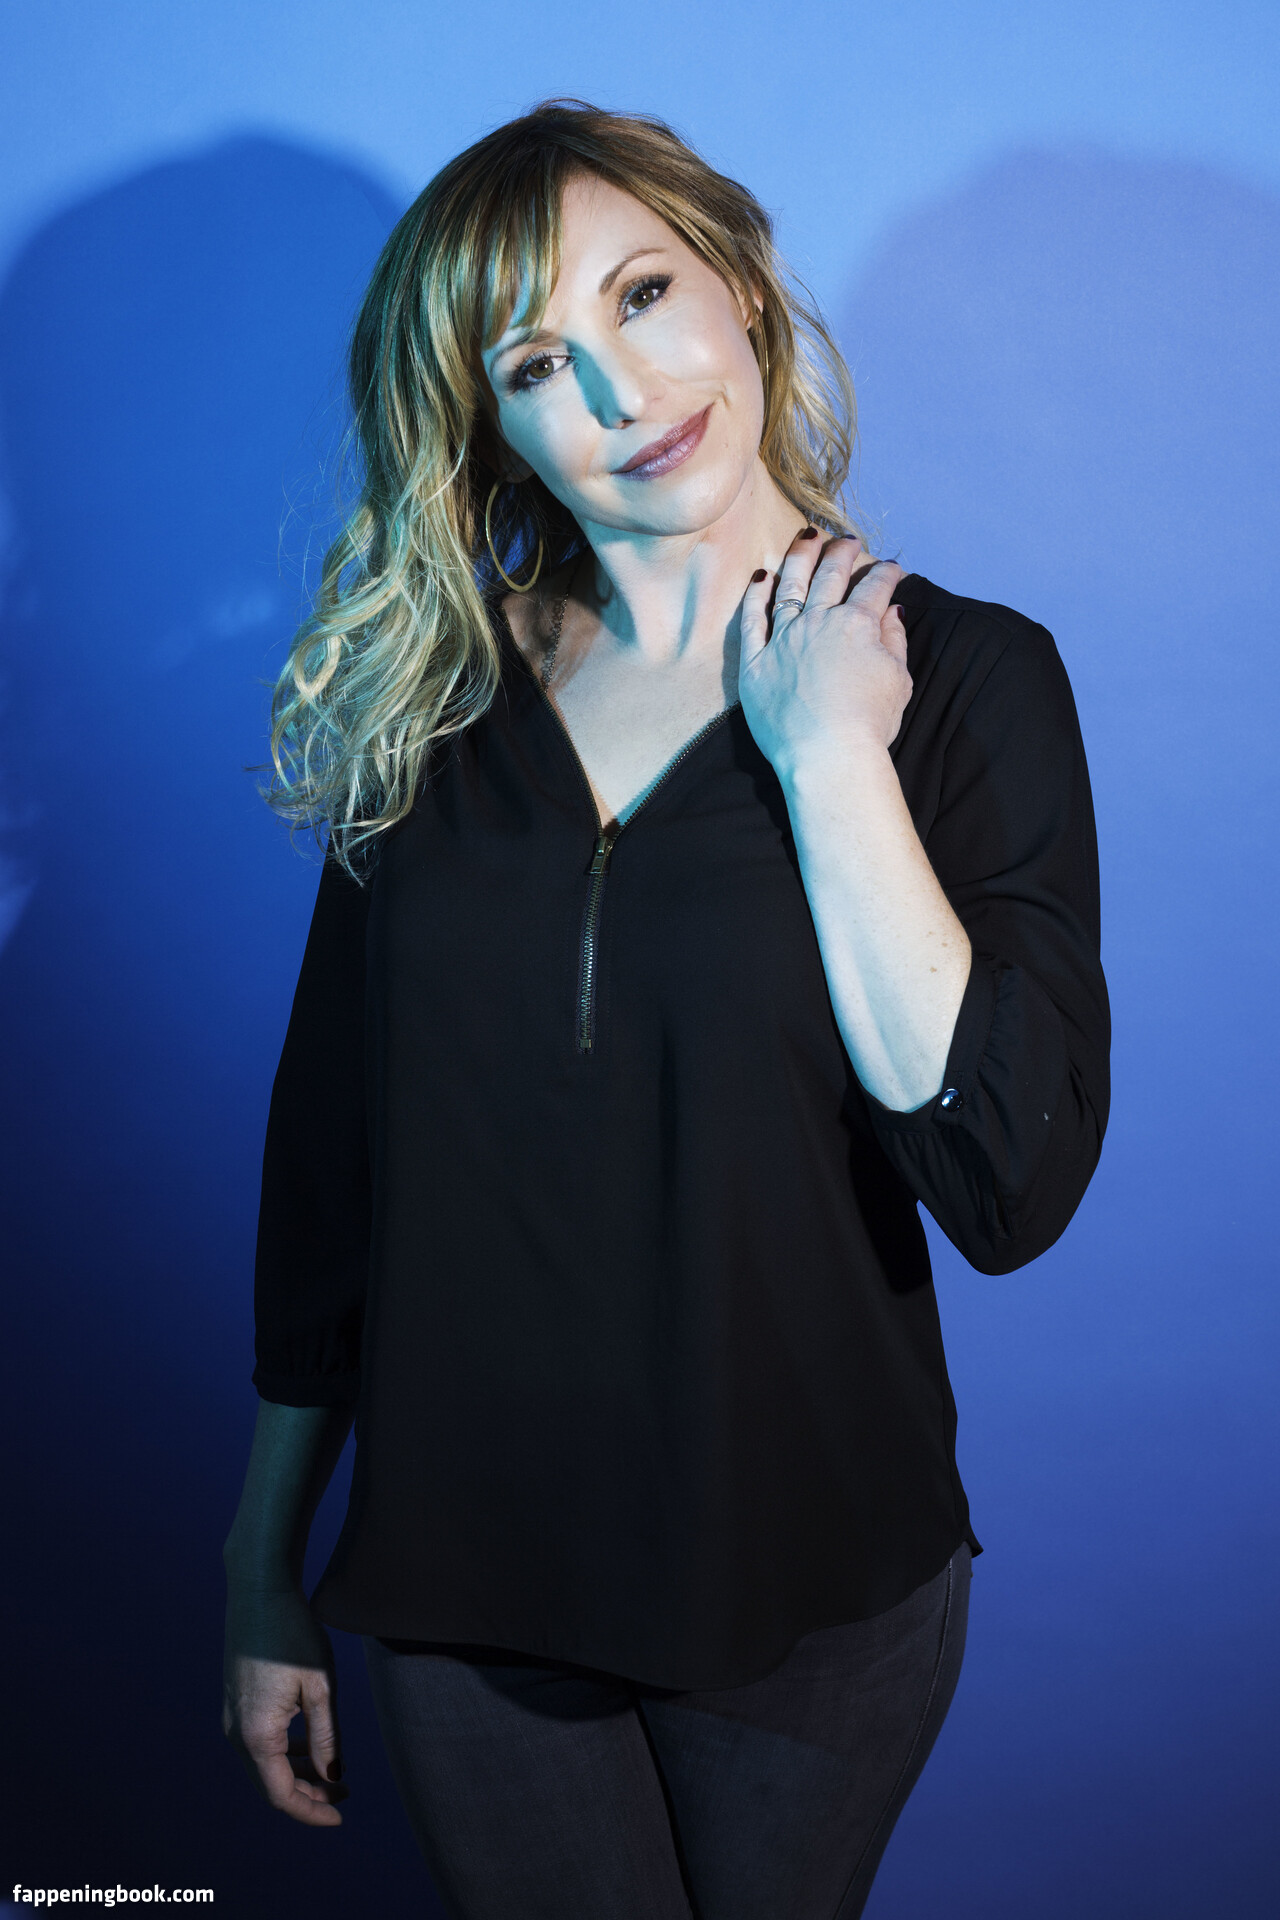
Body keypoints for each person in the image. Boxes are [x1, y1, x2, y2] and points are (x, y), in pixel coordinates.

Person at [221, 98, 1110, 1920]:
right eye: (538, 362)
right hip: (465, 1577)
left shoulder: (967, 684)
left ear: (742, 288)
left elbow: (1009, 1182)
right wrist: (260, 1559)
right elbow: (329, 1173)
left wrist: (831, 756)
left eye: (642, 295)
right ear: (489, 424)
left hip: (817, 1586)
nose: (623, 392)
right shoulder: (439, 716)